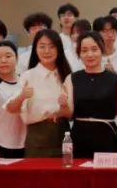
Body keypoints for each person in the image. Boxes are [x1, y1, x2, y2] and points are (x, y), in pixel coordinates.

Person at [56, 32, 117, 159]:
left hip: (108, 138)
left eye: (94, 49)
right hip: (79, 138)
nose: (89, 54)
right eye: (84, 51)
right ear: (79, 53)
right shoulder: (72, 78)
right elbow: (69, 113)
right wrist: (63, 105)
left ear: (101, 50)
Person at [7, 29, 73, 158]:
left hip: (64, 134)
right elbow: (10, 108)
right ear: (35, 50)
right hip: (37, 136)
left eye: (52, 46)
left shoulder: (67, 76)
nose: (47, 51)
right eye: (42, 46)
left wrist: (63, 106)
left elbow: (70, 113)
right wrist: (21, 97)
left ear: (59, 49)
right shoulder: (28, 76)